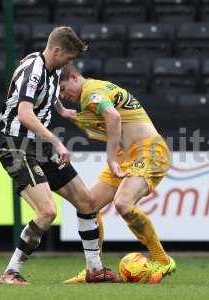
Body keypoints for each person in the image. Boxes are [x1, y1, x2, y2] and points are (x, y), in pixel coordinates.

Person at [0, 26, 119, 285]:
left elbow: (47, 94)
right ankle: (11, 271)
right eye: (69, 57)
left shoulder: (50, 69)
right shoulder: (33, 70)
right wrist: (57, 141)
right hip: (17, 147)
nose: (71, 63)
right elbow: (25, 114)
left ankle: (95, 269)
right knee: (47, 211)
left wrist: (63, 111)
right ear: (56, 51)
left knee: (88, 203)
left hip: (40, 148)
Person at [59, 65, 177, 284]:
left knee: (123, 204)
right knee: (88, 204)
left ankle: (162, 260)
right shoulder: (95, 91)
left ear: (74, 77)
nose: (66, 96)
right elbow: (102, 122)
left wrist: (111, 157)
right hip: (128, 154)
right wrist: (65, 112)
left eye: (64, 89)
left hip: (149, 150)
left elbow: (113, 117)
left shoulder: (90, 92)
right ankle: (95, 269)